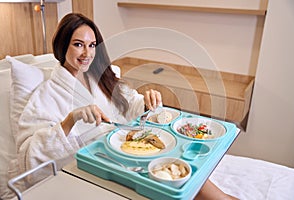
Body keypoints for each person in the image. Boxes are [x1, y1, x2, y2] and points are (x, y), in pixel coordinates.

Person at [10, 13, 237, 199]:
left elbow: (133, 106)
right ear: (62, 46)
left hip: (127, 156)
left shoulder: (102, 79)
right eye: (78, 45)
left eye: (92, 45)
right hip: (93, 168)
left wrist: (148, 102)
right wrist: (70, 120)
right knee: (179, 181)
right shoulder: (45, 95)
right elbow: (28, 157)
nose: (87, 53)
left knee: (186, 175)